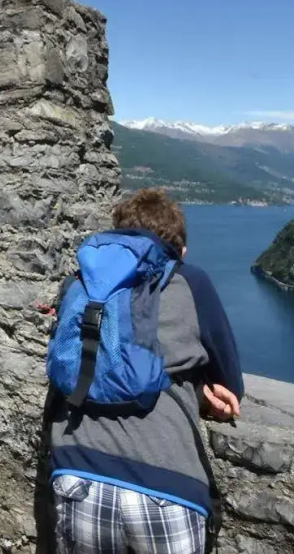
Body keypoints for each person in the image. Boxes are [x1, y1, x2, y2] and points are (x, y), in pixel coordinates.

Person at [44, 188, 243, 554]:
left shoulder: (81, 283)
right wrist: (202, 391)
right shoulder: (190, 281)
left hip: (77, 475)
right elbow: (228, 379)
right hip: (167, 486)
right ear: (179, 249)